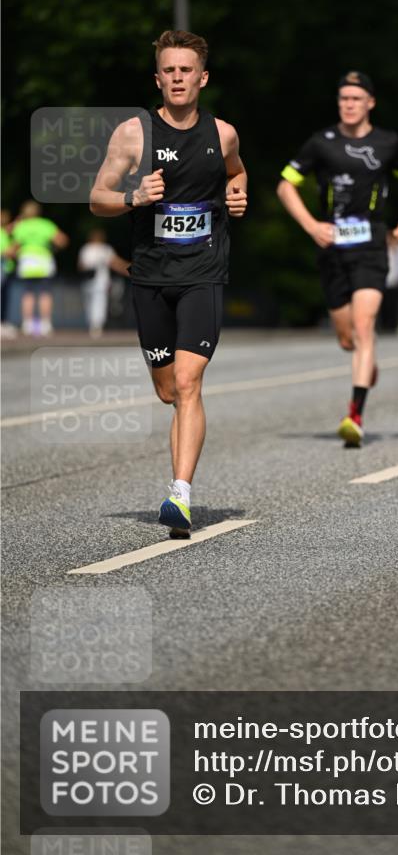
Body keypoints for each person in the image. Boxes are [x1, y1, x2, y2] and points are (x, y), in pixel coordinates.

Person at [89, 30, 248, 537]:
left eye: (186, 71)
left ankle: (180, 493)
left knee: (188, 382)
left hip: (203, 272)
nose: (177, 79)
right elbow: (97, 198)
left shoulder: (222, 133)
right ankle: (179, 481)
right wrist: (134, 197)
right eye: (169, 71)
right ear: (157, 78)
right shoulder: (133, 134)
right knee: (166, 390)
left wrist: (238, 196)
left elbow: (236, 174)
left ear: (202, 78)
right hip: (150, 277)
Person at [276, 70, 398, 446]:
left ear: (370, 102)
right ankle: (364, 363)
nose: (349, 105)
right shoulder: (320, 142)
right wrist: (311, 226)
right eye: (344, 99)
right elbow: (285, 185)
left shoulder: (388, 142)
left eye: (356, 99)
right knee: (346, 338)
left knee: (364, 325)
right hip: (332, 248)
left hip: (372, 244)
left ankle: (354, 415)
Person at [11, 200, 69, 336]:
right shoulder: (45, 225)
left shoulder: (21, 226)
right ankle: (45, 324)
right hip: (43, 260)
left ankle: (27, 324)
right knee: (45, 293)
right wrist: (54, 248)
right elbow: (62, 240)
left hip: (27, 261)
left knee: (28, 294)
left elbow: (15, 246)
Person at [78, 228, 130, 336]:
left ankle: (95, 325)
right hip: (91, 280)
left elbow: (81, 265)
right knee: (94, 303)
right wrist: (129, 270)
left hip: (97, 281)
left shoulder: (90, 249)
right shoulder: (99, 249)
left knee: (97, 302)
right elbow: (115, 263)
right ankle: (94, 325)